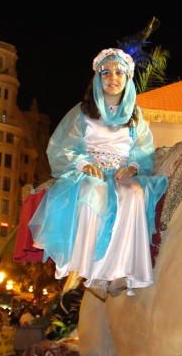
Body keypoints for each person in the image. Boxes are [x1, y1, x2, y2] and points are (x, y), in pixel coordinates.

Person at [30, 47, 168, 296]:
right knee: (92, 192)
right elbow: (62, 148)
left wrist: (132, 167)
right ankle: (91, 271)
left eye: (118, 72)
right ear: (97, 77)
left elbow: (144, 151)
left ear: (127, 79)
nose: (112, 78)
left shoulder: (136, 116)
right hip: (91, 174)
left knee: (135, 193)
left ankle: (122, 271)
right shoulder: (83, 112)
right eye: (106, 72)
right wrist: (83, 164)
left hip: (121, 175)